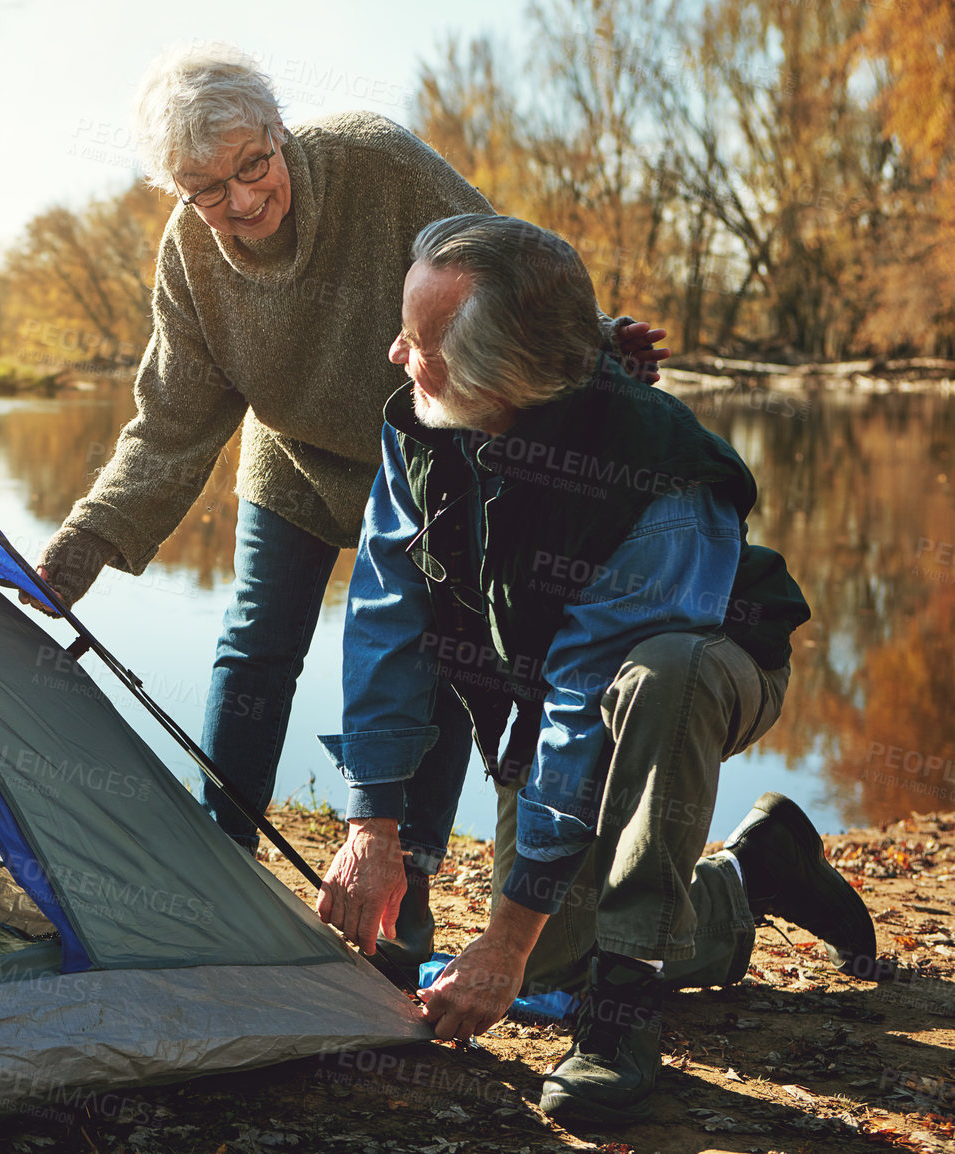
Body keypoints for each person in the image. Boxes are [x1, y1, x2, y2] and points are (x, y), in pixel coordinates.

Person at [20, 44, 668, 976]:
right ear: (179, 190)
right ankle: (219, 873)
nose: (242, 201)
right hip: (292, 456)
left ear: (280, 132)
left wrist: (596, 346)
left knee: (442, 654)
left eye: (255, 164)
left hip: (429, 448)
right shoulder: (189, 257)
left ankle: (409, 898)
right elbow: (172, 422)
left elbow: (502, 275)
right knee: (255, 644)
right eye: (208, 188)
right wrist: (84, 541)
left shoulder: (377, 163)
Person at [313, 211, 877, 1125]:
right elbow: (386, 616)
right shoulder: (424, 424)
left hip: (705, 667)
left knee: (662, 676)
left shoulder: (656, 471)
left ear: (501, 374)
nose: (393, 354)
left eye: (418, 340)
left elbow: (585, 702)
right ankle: (750, 881)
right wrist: (372, 821)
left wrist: (500, 938)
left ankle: (626, 1003)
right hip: (548, 688)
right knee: (549, 958)